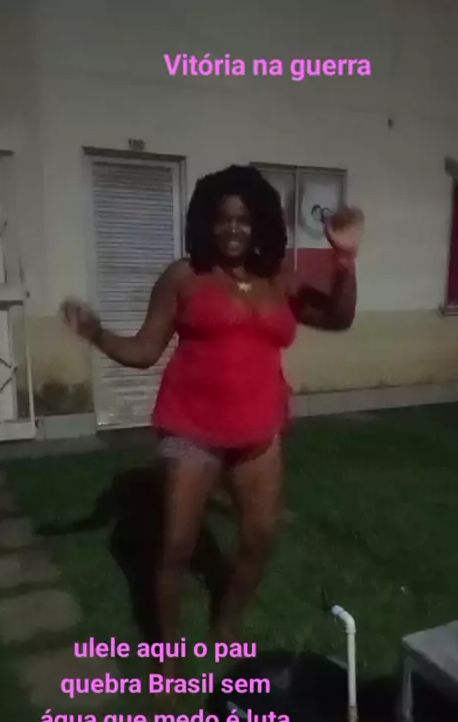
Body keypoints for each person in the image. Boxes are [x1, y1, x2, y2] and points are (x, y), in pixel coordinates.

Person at [61, 165, 364, 674]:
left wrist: (345, 261)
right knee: (177, 545)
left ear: (260, 223)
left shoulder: (278, 279)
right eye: (223, 219)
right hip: (191, 430)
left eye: (244, 219)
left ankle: (226, 623)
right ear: (207, 222)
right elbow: (144, 350)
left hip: (259, 433)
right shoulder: (184, 277)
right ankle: (167, 656)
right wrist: (96, 332)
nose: (233, 229)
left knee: (259, 538)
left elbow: (338, 317)